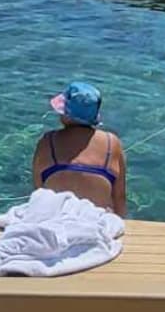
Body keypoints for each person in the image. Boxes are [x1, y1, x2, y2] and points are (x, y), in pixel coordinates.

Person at [32, 79, 127, 216]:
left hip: (54, 223)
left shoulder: (48, 141)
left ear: (66, 114)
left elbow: (38, 191)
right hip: (96, 224)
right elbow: (119, 197)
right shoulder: (112, 142)